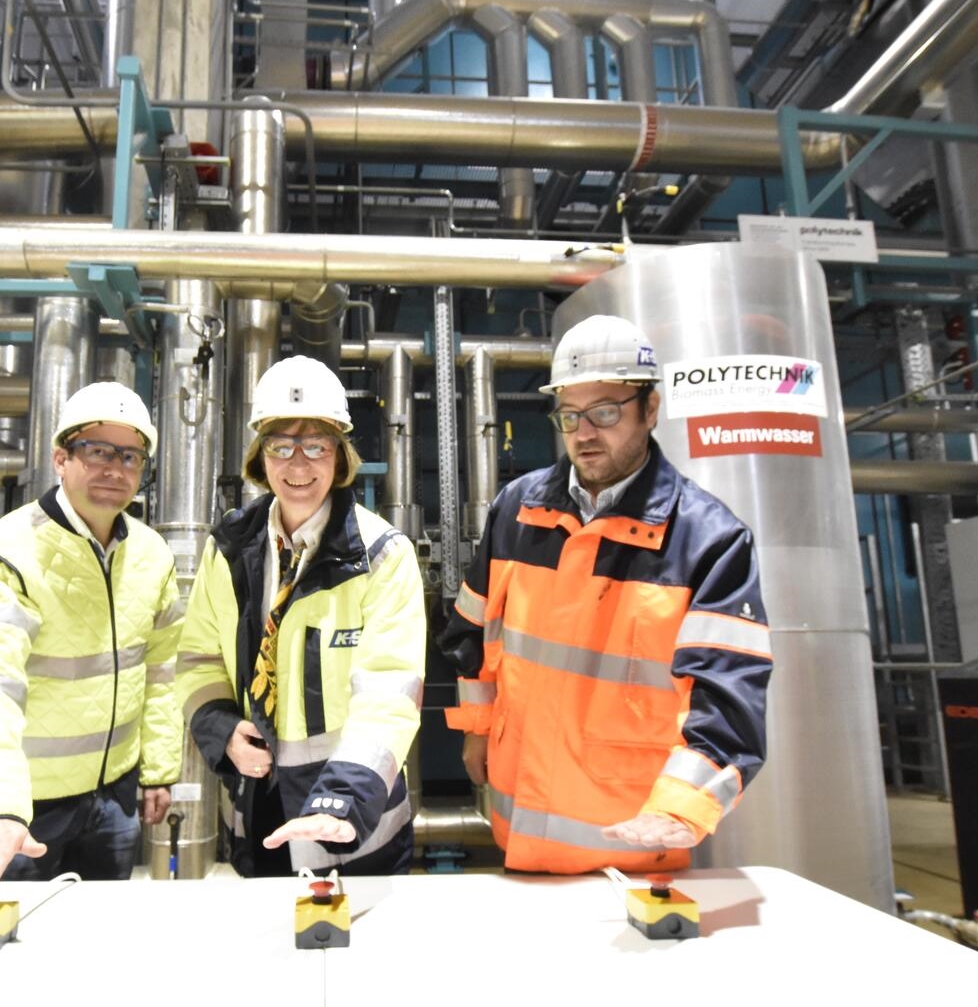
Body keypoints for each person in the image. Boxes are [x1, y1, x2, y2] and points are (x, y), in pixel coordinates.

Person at [441, 315, 773, 875]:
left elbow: (727, 693)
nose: (584, 433)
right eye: (570, 415)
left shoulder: (709, 540)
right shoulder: (518, 509)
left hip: (632, 839)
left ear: (650, 408)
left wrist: (681, 808)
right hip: (517, 833)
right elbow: (475, 630)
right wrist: (477, 731)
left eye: (606, 413)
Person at [176, 355, 425, 876]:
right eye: (280, 446)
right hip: (259, 807)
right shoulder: (228, 548)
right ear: (260, 456)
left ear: (340, 456)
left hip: (355, 813)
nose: (297, 465)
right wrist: (221, 730)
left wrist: (343, 799)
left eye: (316, 446)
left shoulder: (381, 554)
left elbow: (388, 693)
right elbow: (199, 658)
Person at [0, 381, 183, 891]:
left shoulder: (151, 555)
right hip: (28, 807)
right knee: (17, 944)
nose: (115, 469)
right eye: (98, 451)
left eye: (130, 457)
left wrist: (159, 768)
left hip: (115, 798)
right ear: (61, 457)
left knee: (99, 943)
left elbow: (163, 672)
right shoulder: (6, 553)